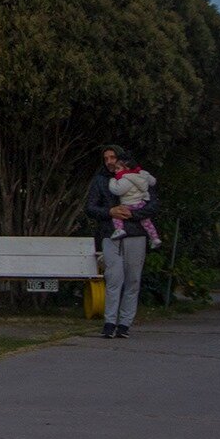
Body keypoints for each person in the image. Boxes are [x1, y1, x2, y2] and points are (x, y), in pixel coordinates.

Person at [85, 144, 159, 339]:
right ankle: (109, 322)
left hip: (135, 233)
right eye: (106, 158)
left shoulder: (140, 176)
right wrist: (109, 212)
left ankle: (125, 323)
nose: (109, 161)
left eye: (112, 157)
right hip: (110, 234)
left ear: (121, 159)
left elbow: (153, 205)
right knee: (113, 277)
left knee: (133, 279)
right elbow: (91, 207)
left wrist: (131, 213)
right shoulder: (100, 180)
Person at [108, 154, 164, 248]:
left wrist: (112, 181)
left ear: (127, 168)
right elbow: (153, 181)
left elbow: (117, 190)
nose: (116, 171)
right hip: (140, 203)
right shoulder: (141, 174)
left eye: (118, 168)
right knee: (147, 222)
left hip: (128, 204)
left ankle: (119, 230)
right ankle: (155, 238)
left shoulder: (125, 179)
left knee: (116, 215)